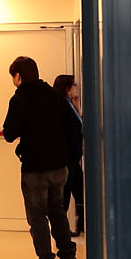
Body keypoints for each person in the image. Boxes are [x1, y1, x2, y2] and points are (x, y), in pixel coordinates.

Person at [2, 55, 77, 259]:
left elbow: (9, 133)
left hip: (35, 167)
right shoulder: (55, 96)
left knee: (37, 216)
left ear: (18, 76)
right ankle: (67, 256)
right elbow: (74, 127)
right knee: (57, 210)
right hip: (59, 166)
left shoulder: (20, 99)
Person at [53, 71, 85, 238]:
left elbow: (80, 125)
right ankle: (62, 231)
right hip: (67, 157)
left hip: (74, 156)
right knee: (65, 193)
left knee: (79, 189)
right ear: (66, 88)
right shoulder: (61, 106)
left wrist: (78, 107)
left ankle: (81, 224)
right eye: (74, 85)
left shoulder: (70, 104)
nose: (77, 88)